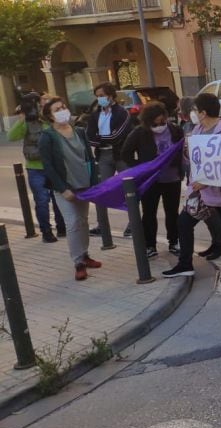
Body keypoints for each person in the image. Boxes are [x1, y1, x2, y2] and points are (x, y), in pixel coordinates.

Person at [162, 93, 221, 281]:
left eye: (195, 110)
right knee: (184, 222)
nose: (192, 113)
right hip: (200, 191)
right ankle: (185, 264)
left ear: (203, 112)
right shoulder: (197, 130)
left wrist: (207, 181)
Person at [38, 98, 101, 281]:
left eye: (64, 107)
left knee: (83, 221)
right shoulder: (48, 137)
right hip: (65, 188)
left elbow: (89, 157)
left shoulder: (80, 131)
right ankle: (78, 262)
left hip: (84, 185)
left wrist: (94, 182)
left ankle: (85, 254)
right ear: (50, 116)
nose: (62, 111)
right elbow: (48, 166)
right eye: (57, 109)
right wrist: (62, 188)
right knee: (73, 223)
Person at [121, 101, 184, 258]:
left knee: (172, 212)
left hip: (172, 178)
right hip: (151, 180)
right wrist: (142, 167)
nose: (160, 120)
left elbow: (182, 150)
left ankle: (174, 241)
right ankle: (150, 245)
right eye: (156, 117)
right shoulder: (140, 132)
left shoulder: (174, 130)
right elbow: (126, 153)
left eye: (162, 116)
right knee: (149, 213)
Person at [7, 92, 66, 243]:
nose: (42, 103)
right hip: (35, 168)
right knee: (42, 200)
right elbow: (11, 136)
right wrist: (23, 119)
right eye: (40, 101)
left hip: (52, 166)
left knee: (58, 198)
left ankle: (62, 228)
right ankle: (46, 231)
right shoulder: (28, 121)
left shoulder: (49, 119)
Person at [85, 81, 133, 237]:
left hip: (120, 154)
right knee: (101, 190)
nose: (100, 99)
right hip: (103, 155)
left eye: (103, 96)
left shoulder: (122, 113)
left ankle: (133, 223)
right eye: (98, 96)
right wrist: (102, 139)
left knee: (129, 188)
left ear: (111, 96)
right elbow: (90, 138)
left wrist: (100, 138)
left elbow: (117, 136)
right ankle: (102, 225)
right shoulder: (95, 115)